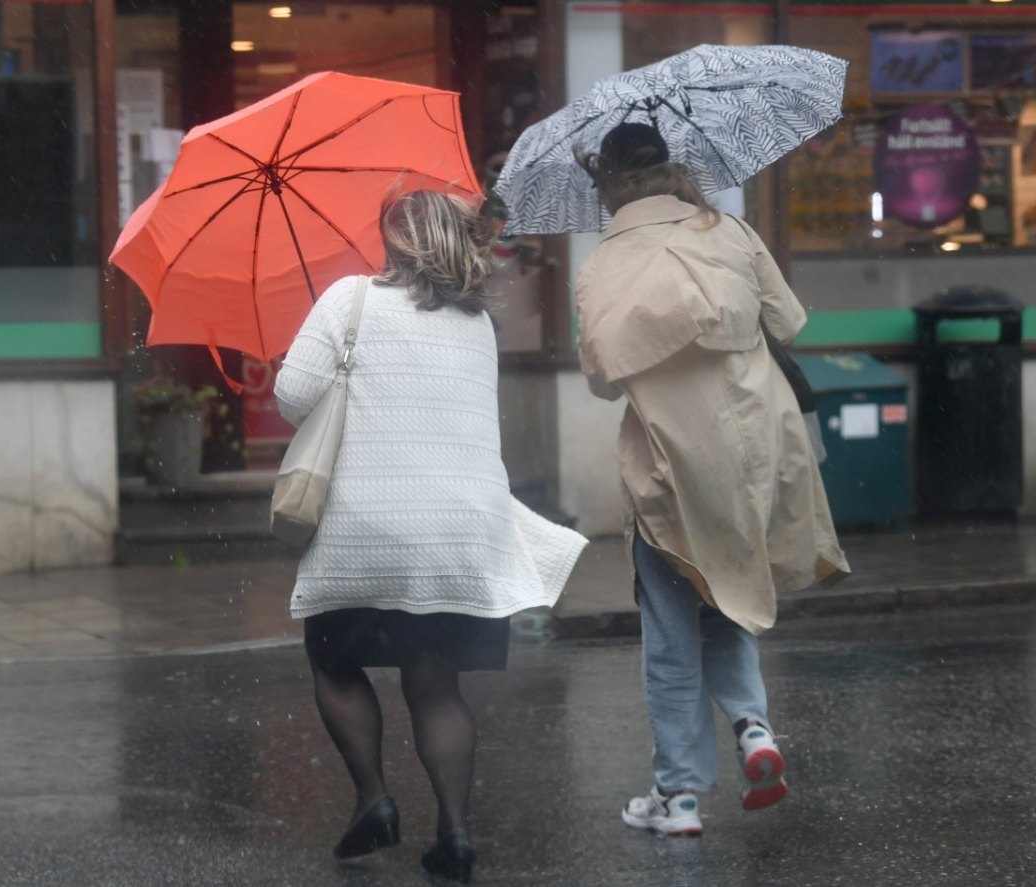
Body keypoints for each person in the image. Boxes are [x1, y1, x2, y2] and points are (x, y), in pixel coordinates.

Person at [274, 190, 587, 881]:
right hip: (460, 530)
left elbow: (293, 396)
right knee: (436, 684)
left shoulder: (348, 298)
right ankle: (456, 832)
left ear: (393, 239)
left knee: (333, 661)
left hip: (368, 527)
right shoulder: (475, 322)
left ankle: (373, 798)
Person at [573, 123, 850, 836]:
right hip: (754, 452)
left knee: (671, 634)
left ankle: (681, 795)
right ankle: (755, 729)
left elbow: (603, 378)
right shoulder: (728, 232)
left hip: (669, 464)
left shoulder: (605, 263)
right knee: (730, 595)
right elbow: (789, 321)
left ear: (611, 184)